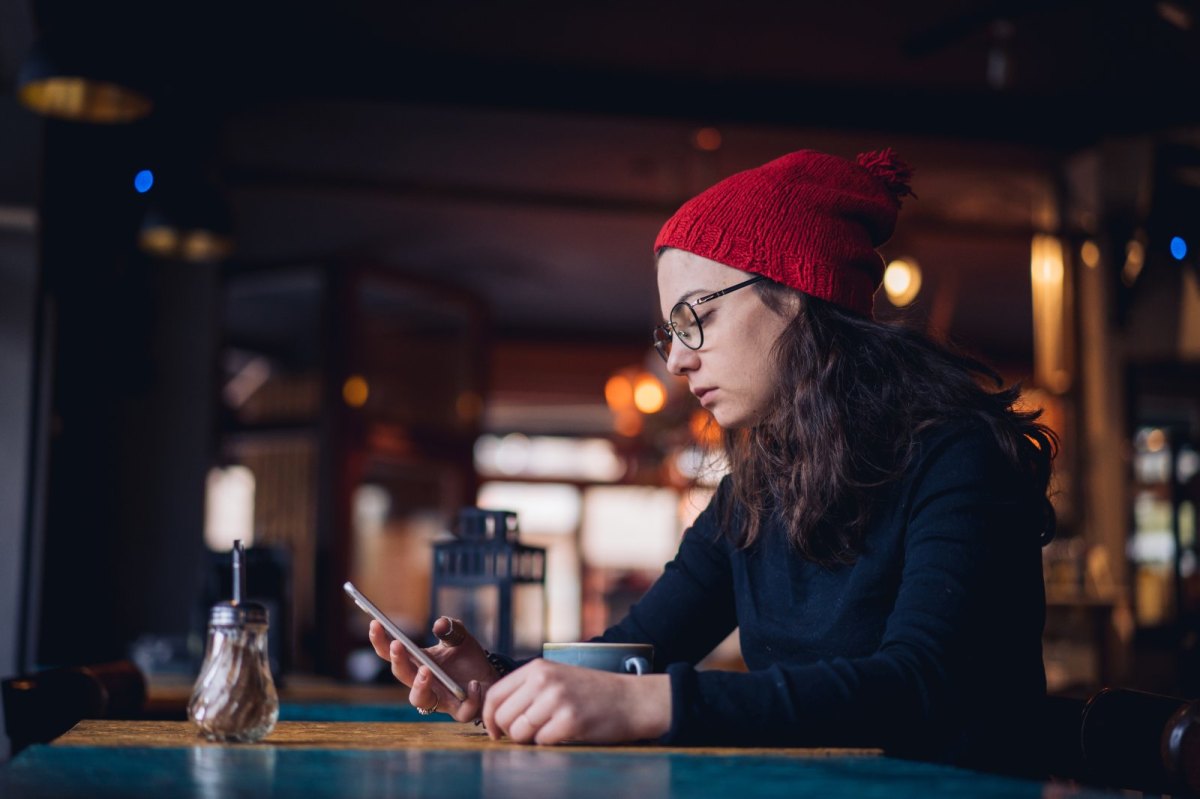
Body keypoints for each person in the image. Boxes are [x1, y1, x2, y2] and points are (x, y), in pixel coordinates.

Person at [368, 148, 1056, 775]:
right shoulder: (753, 494)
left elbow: (917, 685)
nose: (676, 358)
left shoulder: (956, 457)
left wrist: (650, 704)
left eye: (695, 318)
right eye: (669, 332)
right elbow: (637, 650)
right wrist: (496, 678)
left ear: (793, 293)